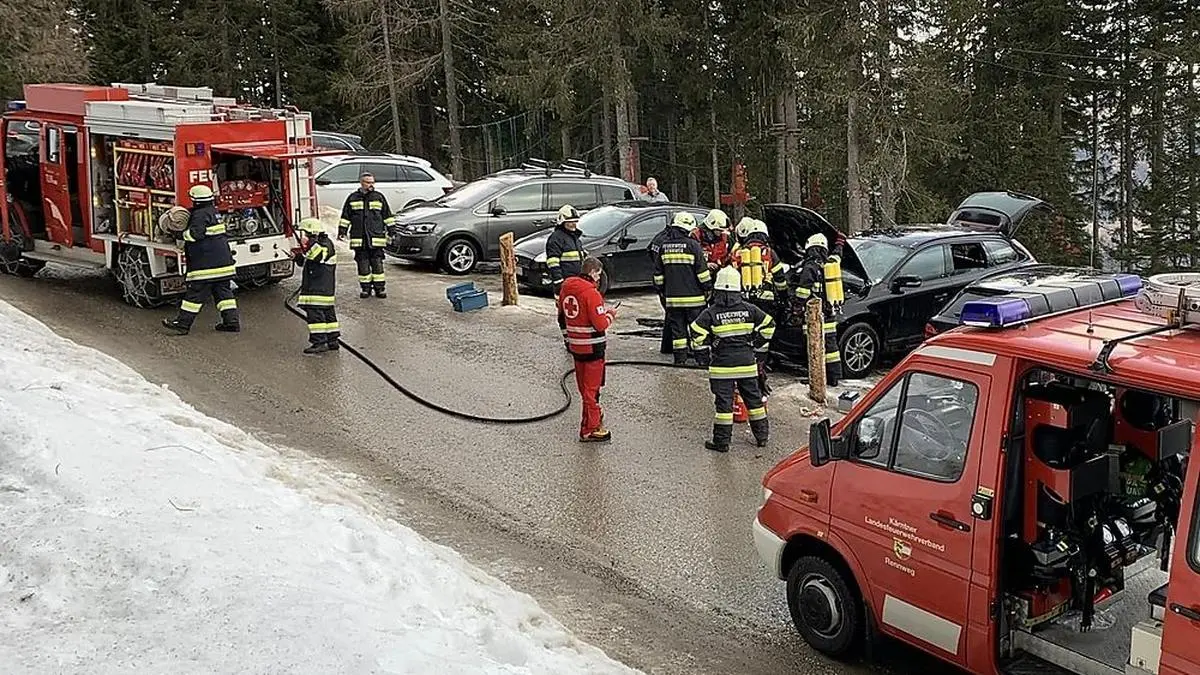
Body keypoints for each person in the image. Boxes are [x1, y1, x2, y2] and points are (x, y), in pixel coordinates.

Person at [689, 266, 775, 452]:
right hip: (747, 365)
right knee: (754, 401)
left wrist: (703, 354)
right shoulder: (750, 310)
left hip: (722, 368)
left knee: (724, 406)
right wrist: (756, 344)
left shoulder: (710, 313)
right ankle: (762, 437)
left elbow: (695, 332)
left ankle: (722, 442)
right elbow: (769, 324)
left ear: (718, 289)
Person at [161, 184, 240, 335]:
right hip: (224, 263)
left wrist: (177, 234)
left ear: (195, 200)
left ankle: (182, 324)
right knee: (224, 294)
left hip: (206, 266)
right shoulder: (213, 212)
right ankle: (231, 322)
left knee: (194, 295)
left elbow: (195, 235)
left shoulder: (199, 215)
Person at [560, 257, 616, 442]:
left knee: (584, 388)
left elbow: (561, 317)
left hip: (576, 347)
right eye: (598, 274)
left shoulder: (567, 288)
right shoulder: (592, 294)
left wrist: (568, 340)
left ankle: (588, 423)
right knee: (592, 391)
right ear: (592, 272)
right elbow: (600, 324)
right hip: (593, 348)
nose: (599, 278)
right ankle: (590, 428)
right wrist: (610, 315)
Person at [652, 211, 713, 365]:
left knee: (678, 331)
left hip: (673, 300)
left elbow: (658, 274)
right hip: (695, 300)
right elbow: (702, 273)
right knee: (697, 330)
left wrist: (661, 290)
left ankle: (680, 360)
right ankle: (702, 360)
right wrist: (708, 288)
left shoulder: (664, 247)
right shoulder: (693, 246)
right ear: (688, 229)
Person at [789, 232, 844, 386]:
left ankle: (815, 378)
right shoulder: (831, 263)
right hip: (830, 311)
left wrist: (797, 307)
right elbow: (838, 255)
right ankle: (834, 377)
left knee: (814, 346)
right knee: (831, 347)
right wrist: (840, 242)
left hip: (814, 314)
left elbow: (803, 290)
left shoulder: (810, 266)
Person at [338, 172, 395, 299]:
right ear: (361, 183)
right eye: (368, 182)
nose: (371, 185)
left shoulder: (379, 197)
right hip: (360, 239)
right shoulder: (353, 198)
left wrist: (392, 231)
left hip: (376, 239)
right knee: (363, 266)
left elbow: (387, 215)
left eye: (372, 182)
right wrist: (342, 231)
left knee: (377, 265)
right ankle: (365, 289)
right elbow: (345, 217)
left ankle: (380, 289)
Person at [295, 217, 340, 355]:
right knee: (328, 315)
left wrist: (309, 243)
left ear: (312, 233)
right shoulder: (319, 244)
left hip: (319, 290)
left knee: (316, 318)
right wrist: (298, 257)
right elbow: (309, 260)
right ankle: (332, 341)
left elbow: (317, 255)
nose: (304, 236)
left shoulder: (325, 245)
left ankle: (319, 342)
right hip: (320, 288)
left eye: (306, 233)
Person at [546, 204, 587, 349]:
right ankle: (567, 339)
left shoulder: (575, 238)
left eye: (575, 221)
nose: (573, 224)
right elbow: (553, 262)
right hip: (564, 284)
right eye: (570, 221)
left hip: (577, 283)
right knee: (564, 313)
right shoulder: (556, 238)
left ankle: (577, 339)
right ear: (561, 221)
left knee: (577, 312)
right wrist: (559, 282)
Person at [729, 217, 787, 302]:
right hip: (765, 298)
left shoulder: (737, 253)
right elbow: (779, 278)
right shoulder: (769, 252)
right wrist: (783, 297)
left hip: (742, 298)